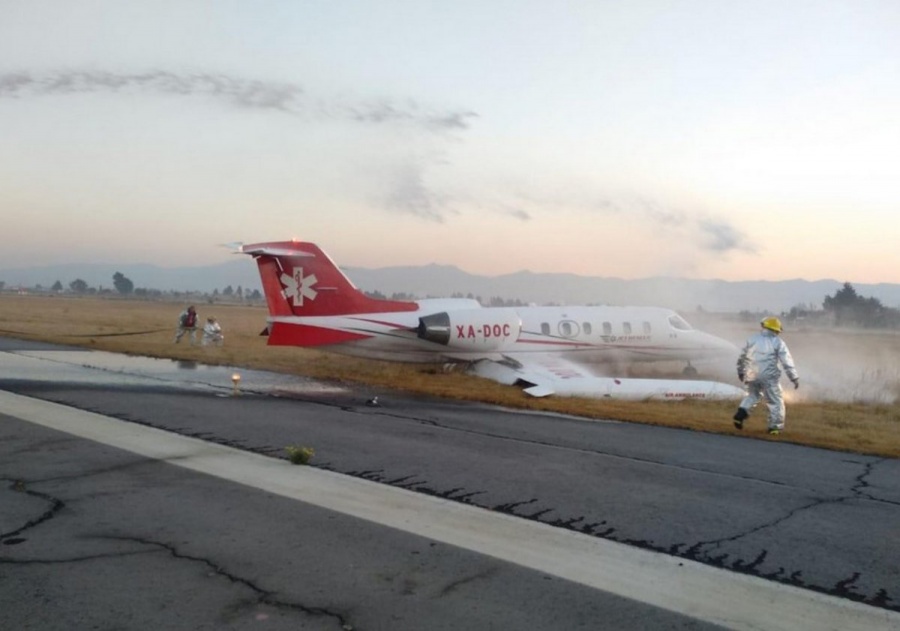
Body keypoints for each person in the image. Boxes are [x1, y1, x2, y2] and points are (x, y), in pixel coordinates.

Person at [733, 316, 800, 435]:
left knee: (753, 395)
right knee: (775, 401)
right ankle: (775, 428)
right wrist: (794, 378)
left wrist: (741, 371)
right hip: (769, 378)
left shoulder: (752, 339)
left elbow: (742, 357)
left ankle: (740, 413)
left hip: (751, 375)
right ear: (775, 330)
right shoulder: (778, 342)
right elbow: (787, 361)